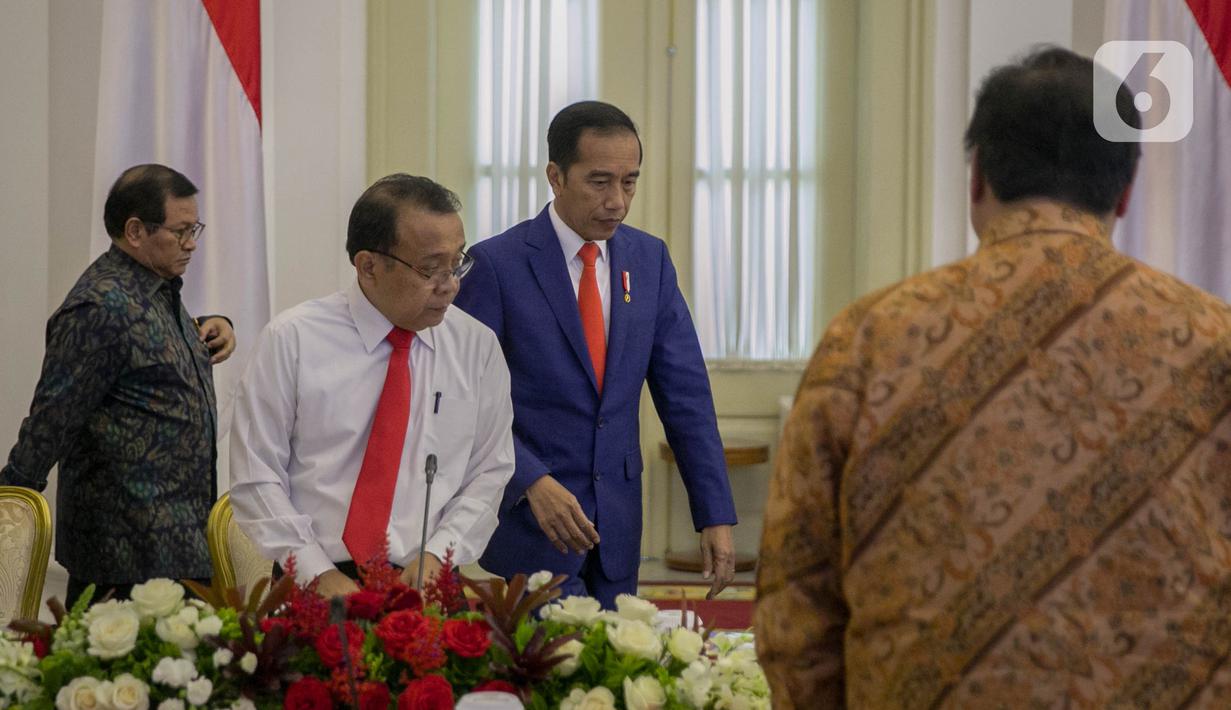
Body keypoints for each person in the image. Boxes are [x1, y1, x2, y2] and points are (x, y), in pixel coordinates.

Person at [756, 45, 1231, 708]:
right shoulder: (1213, 340)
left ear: (976, 176)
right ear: (1123, 192)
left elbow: (795, 599)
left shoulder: (869, 338)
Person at [454, 100, 737, 607]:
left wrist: (714, 512)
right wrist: (530, 479)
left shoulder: (649, 260)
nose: (618, 202)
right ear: (556, 176)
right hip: (531, 527)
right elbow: (464, 399)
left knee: (611, 680)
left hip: (617, 527)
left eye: (629, 182)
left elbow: (686, 395)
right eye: (600, 181)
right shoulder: (496, 265)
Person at [229, 174, 514, 598]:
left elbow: (489, 471)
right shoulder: (292, 340)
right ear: (368, 265)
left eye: (457, 264)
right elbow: (257, 477)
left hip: (427, 581)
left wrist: (439, 554)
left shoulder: (476, 346)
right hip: (311, 582)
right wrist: (316, 573)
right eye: (431, 269)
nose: (450, 284)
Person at [0, 164, 236, 603]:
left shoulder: (154, 289)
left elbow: (145, 357)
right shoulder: (99, 307)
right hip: (126, 560)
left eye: (195, 228)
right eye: (181, 231)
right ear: (135, 231)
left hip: (180, 546)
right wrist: (10, 505)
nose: (192, 243)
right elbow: (52, 420)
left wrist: (213, 324)